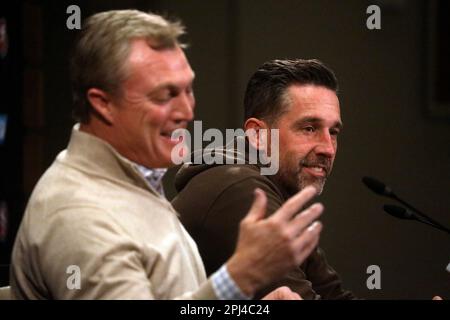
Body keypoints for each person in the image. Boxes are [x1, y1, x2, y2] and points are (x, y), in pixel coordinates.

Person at [9, 10, 324, 300]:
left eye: (188, 90)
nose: (186, 111)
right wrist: (239, 277)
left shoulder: (131, 178)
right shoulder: (79, 214)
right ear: (103, 103)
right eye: (165, 95)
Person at [172, 59, 356, 299]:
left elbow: (334, 295)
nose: (328, 149)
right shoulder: (241, 189)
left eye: (333, 132)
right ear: (258, 135)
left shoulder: (280, 191)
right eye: (309, 128)